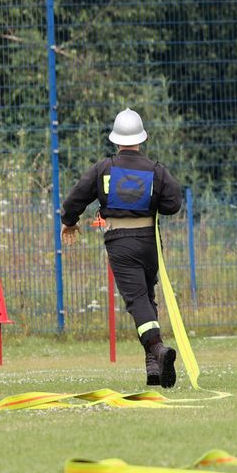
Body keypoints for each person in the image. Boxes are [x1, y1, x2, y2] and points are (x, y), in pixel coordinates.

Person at [60, 108, 186, 389]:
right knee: (147, 298)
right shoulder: (156, 170)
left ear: (116, 140)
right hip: (150, 243)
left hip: (120, 243)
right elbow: (173, 203)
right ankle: (154, 368)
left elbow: (76, 198)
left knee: (137, 301)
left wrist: (69, 222)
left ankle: (158, 350)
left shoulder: (104, 169)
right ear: (141, 138)